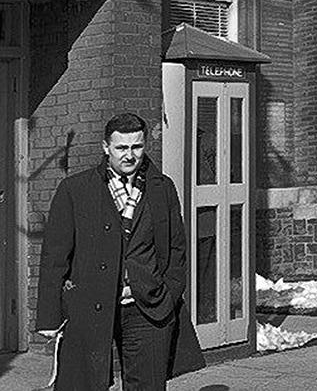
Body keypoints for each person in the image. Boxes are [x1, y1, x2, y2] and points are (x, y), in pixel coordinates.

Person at [36, 113, 205, 391]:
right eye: (121, 148)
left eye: (136, 147)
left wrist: (169, 293)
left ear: (144, 146)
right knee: (85, 385)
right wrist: (50, 315)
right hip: (89, 306)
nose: (130, 155)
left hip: (147, 307)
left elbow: (177, 249)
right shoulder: (75, 190)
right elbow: (54, 257)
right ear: (106, 148)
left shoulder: (162, 188)